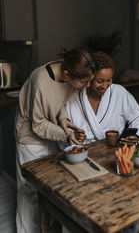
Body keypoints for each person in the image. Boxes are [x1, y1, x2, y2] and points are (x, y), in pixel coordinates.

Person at [15, 47, 95, 233]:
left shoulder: (68, 75)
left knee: (47, 189)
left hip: (49, 133)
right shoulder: (41, 82)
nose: (86, 86)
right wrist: (66, 135)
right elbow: (38, 125)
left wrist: (64, 120)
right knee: (29, 192)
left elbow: (59, 105)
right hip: (30, 140)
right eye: (84, 82)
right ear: (67, 74)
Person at [64, 51, 139, 146]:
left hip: (115, 149)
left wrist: (137, 136)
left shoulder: (119, 93)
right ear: (90, 77)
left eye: (109, 80)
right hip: (83, 150)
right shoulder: (73, 97)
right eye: (100, 81)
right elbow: (65, 129)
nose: (104, 86)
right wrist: (75, 136)